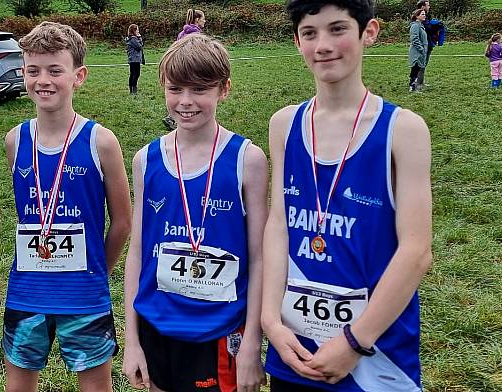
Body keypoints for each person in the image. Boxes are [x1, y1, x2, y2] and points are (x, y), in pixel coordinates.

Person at [262, 1, 432, 391]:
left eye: (338, 29)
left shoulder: (403, 130)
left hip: (375, 357)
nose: (323, 44)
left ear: (368, 32)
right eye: (310, 33)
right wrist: (271, 321)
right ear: (297, 41)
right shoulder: (284, 124)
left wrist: (355, 341)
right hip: (295, 350)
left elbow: (417, 250)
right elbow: (278, 225)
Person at [123, 34, 268, 392]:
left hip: (218, 333)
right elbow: (138, 251)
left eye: (199, 89)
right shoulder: (146, 160)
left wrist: (252, 341)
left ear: (224, 89)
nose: (186, 102)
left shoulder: (246, 160)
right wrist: (131, 339)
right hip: (155, 327)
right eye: (176, 89)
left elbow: (261, 257)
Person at [1, 21, 131, 392]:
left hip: (84, 292)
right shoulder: (15, 140)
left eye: (55, 70)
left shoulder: (101, 141)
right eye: (33, 70)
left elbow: (122, 221)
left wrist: (97, 271)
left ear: (79, 76)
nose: (43, 80)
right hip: (27, 291)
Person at [163, 9, 207, 131]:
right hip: (193, 71)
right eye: (203, 18)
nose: (205, 21)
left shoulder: (182, 33)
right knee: (192, 98)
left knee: (181, 96)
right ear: (197, 20)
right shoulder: (197, 36)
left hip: (180, 71)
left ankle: (172, 117)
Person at [409, 9, 428, 92]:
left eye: (424, 14)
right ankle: (412, 87)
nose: (424, 15)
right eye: (422, 14)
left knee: (417, 68)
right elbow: (414, 39)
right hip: (416, 52)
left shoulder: (420, 25)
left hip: (420, 52)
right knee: (415, 69)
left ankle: (415, 86)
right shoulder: (415, 26)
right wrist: (421, 49)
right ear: (417, 16)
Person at [126, 24, 145, 95]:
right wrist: (140, 38)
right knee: (136, 74)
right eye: (137, 30)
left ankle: (132, 90)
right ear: (133, 30)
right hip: (135, 59)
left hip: (133, 59)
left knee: (133, 74)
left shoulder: (131, 38)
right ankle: (133, 90)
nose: (138, 31)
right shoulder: (133, 39)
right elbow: (139, 47)